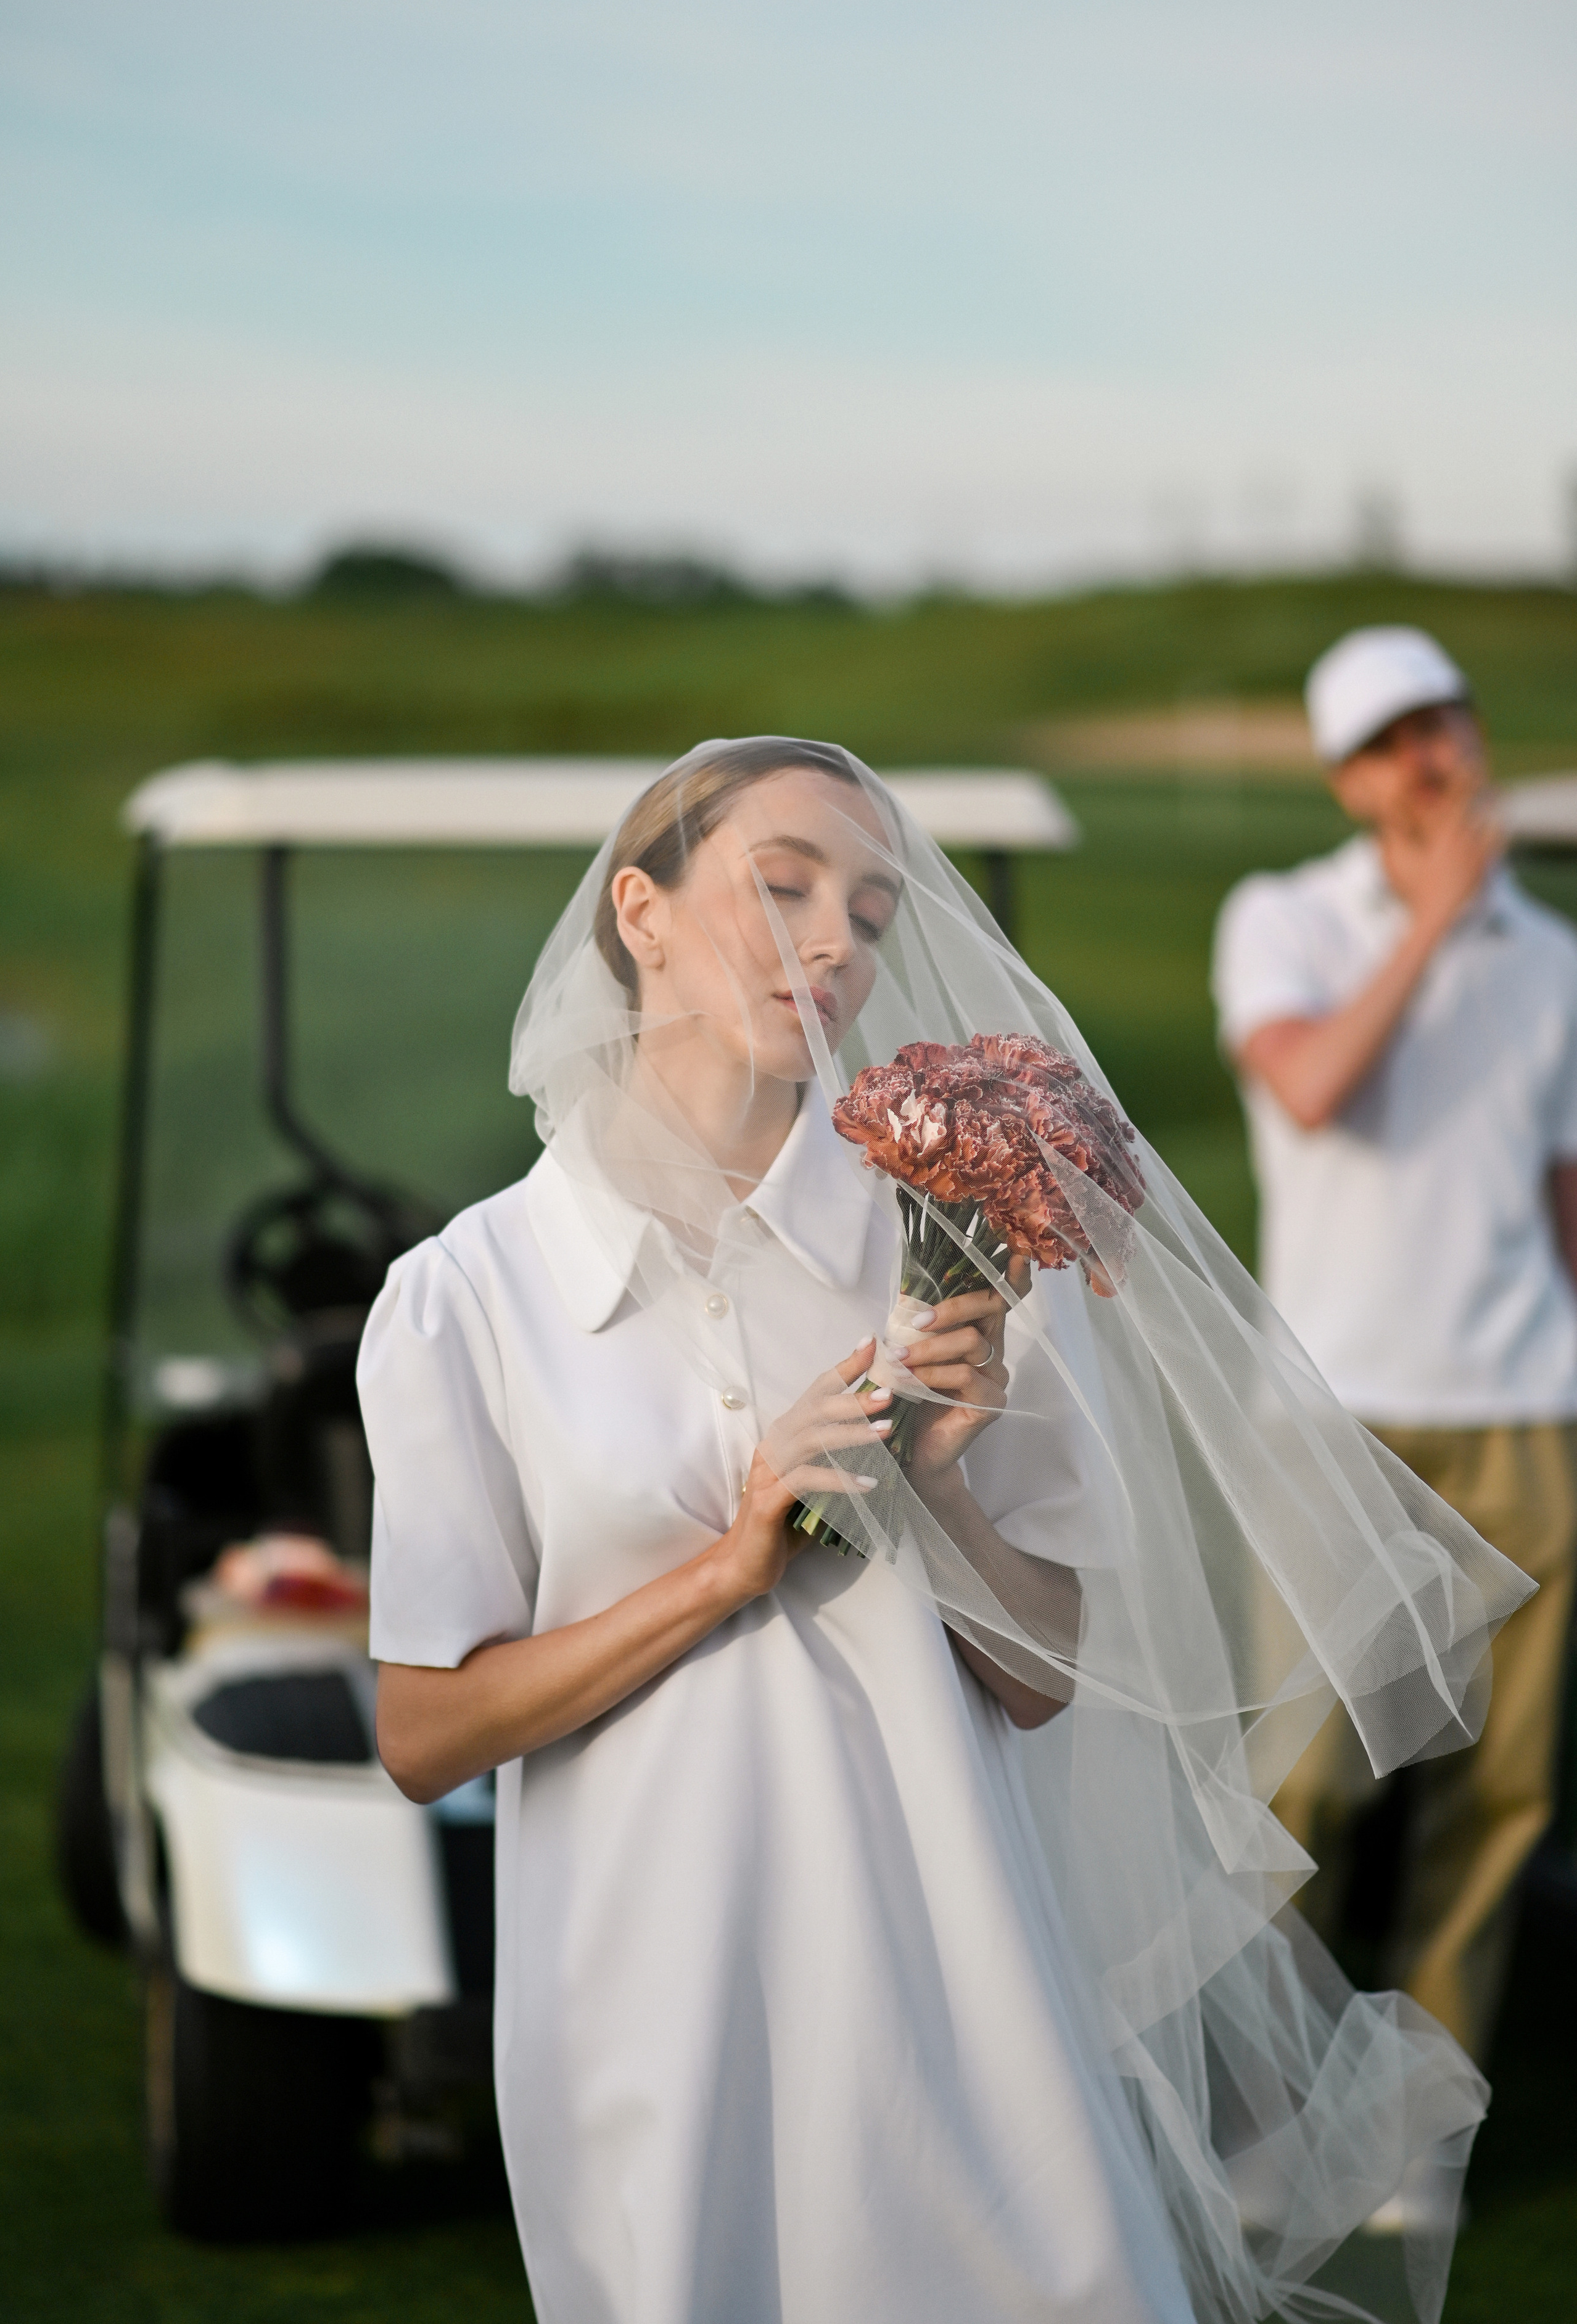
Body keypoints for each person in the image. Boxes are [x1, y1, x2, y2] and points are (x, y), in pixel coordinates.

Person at [360, 736, 1526, 2324]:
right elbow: (426, 1732)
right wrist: (728, 1565)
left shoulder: (959, 1249)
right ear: (638, 912)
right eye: (781, 888)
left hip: (958, 1981)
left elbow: (1043, 1677)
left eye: (870, 908)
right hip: (649, 1997)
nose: (836, 938)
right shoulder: (468, 1298)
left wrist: (943, 1490)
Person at [1212, 625, 1577, 2080]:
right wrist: (1428, 922)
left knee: (1496, 1797)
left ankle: (1418, 2108)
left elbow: (1560, 1201)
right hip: (1331, 1411)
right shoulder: (1282, 916)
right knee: (1303, 1781)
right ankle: (1266, 2102)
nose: (1422, 757)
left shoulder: (1553, 961)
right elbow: (1306, 1087)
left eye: (1436, 723)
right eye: (1382, 742)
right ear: (1341, 780)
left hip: (1524, 1408)